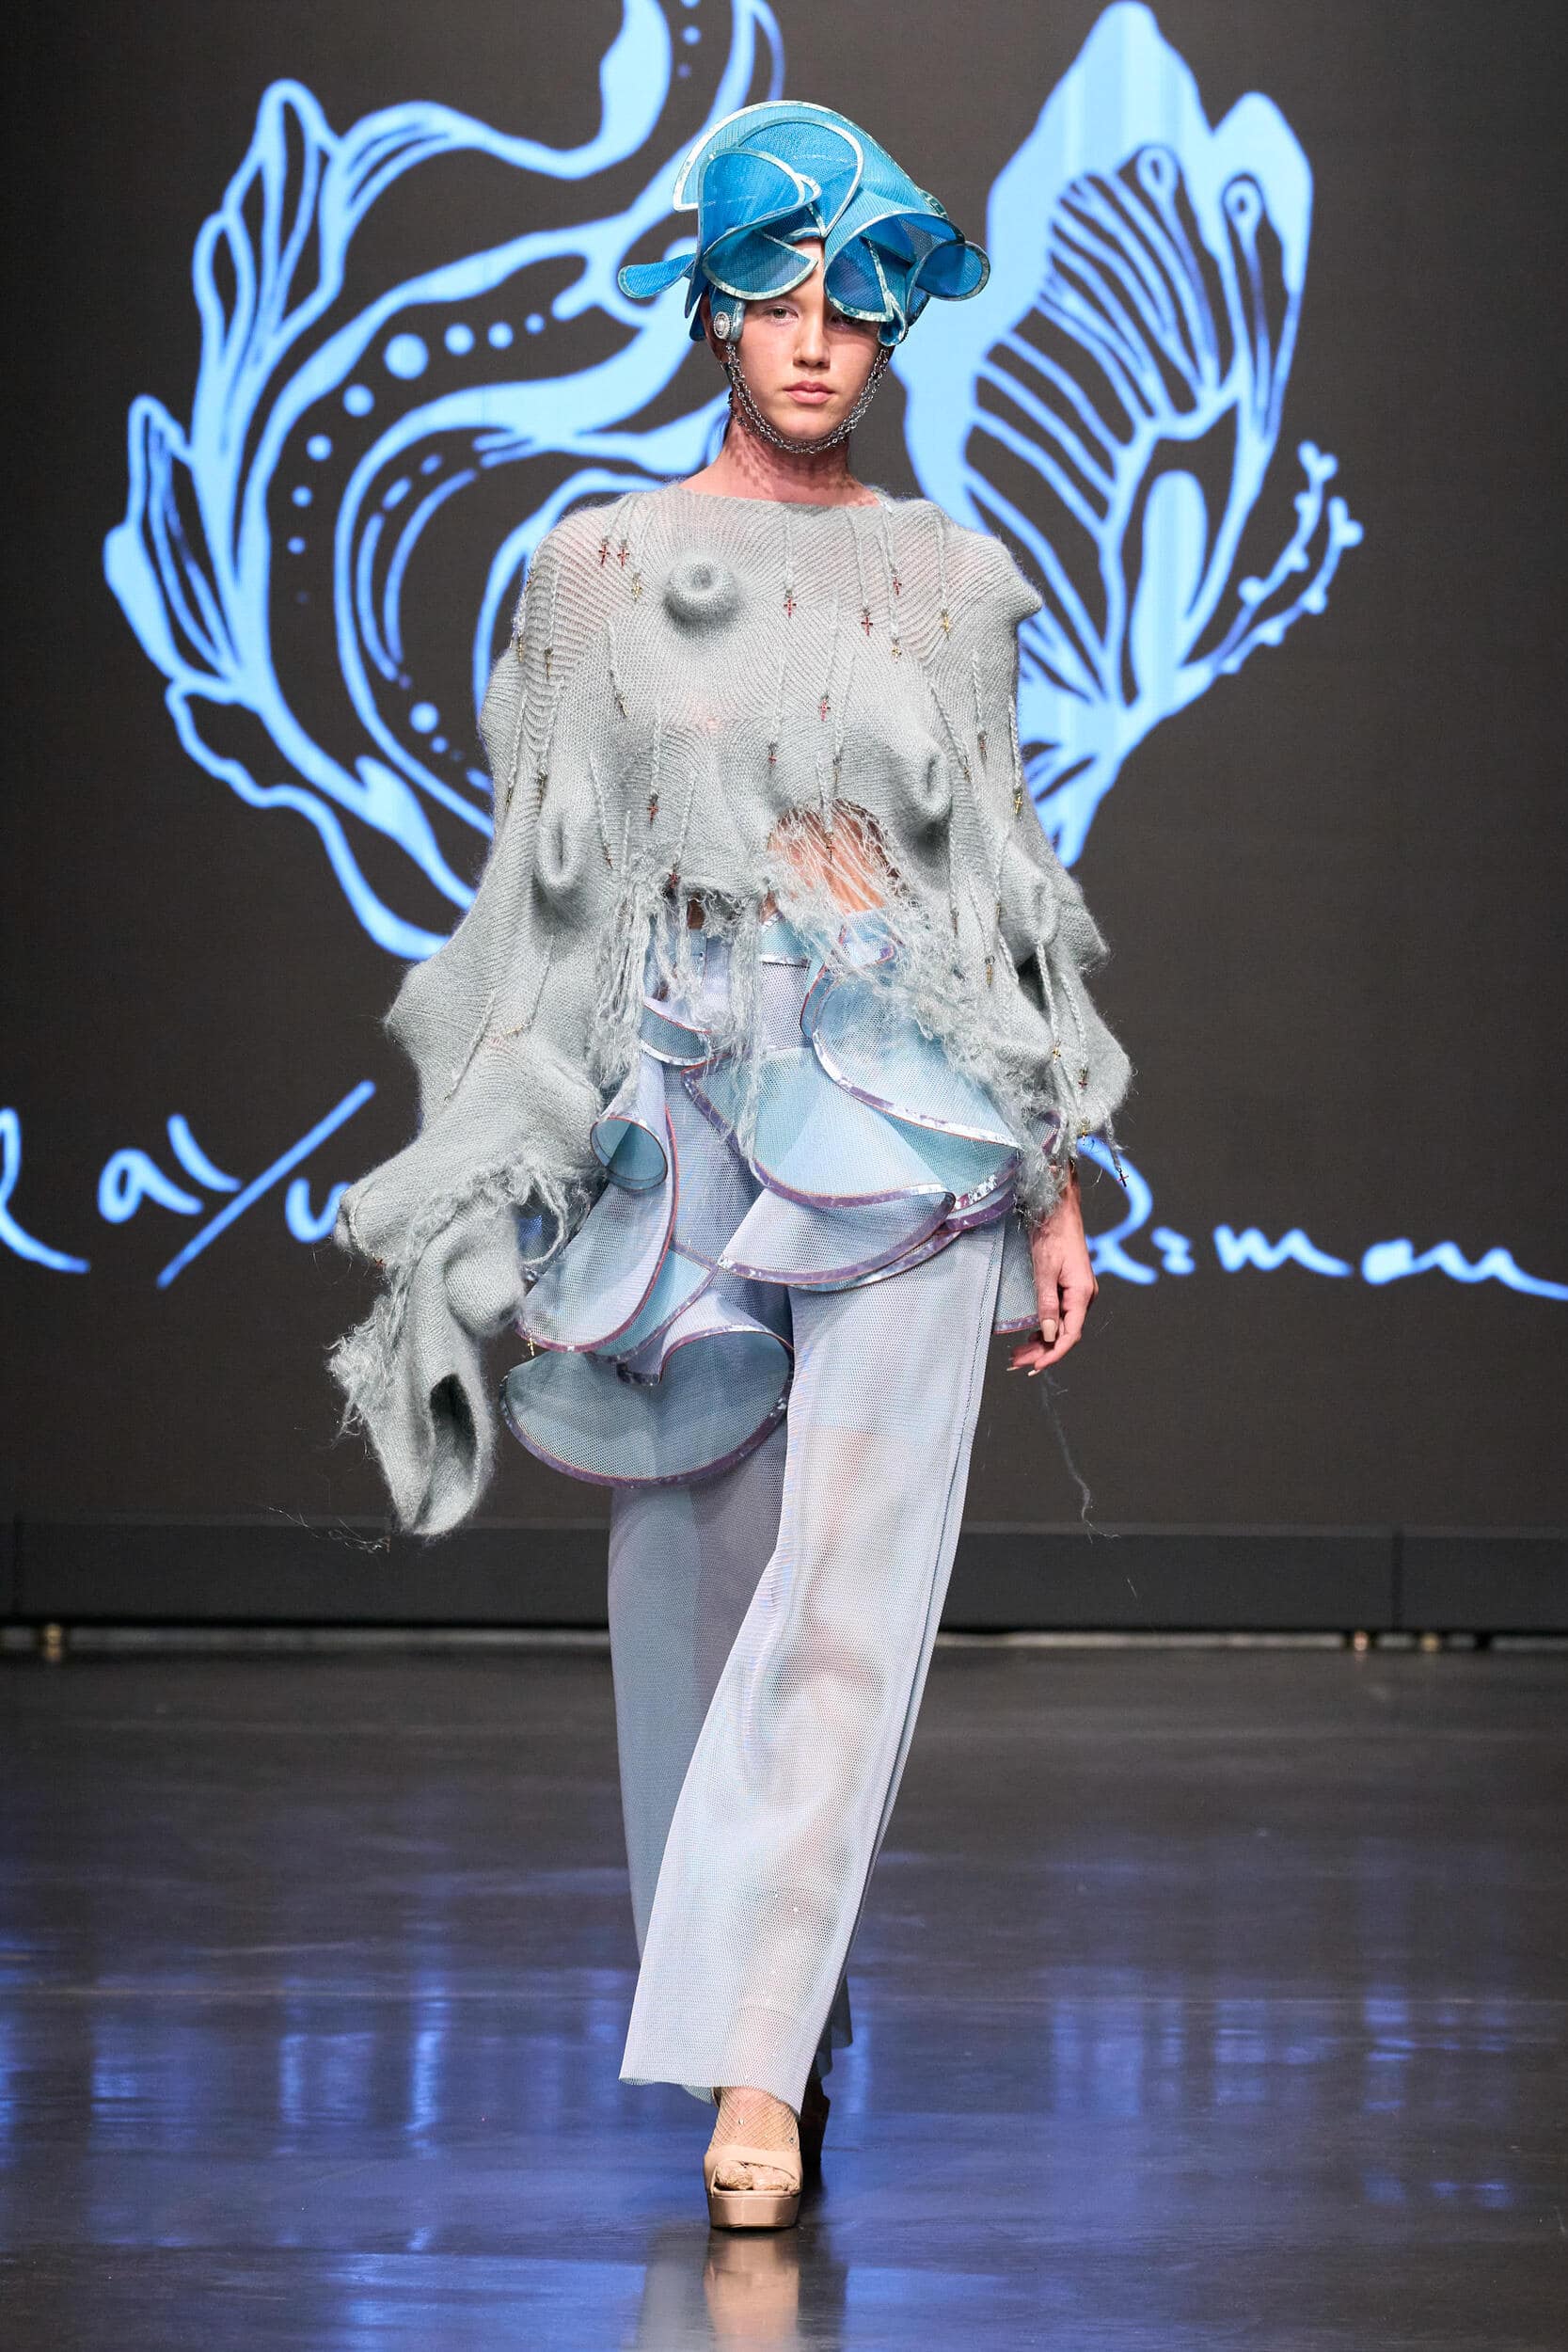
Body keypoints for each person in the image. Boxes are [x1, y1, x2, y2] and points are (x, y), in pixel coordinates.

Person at [327, 101, 1133, 2230]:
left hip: (917, 1110)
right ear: (711, 312)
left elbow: (1004, 886)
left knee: (855, 1587)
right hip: (677, 1116)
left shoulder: (950, 581)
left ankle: (755, 2075)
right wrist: (488, 1169)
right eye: (775, 300)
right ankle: (779, 1994)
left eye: (851, 306)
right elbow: (537, 896)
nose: (812, 340)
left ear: (891, 331)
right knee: (688, 1600)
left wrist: (1055, 1170)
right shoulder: (595, 575)